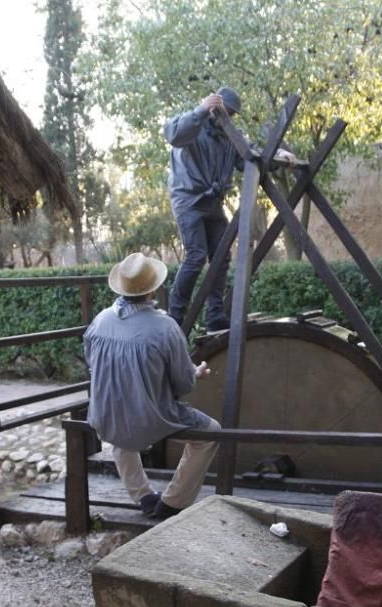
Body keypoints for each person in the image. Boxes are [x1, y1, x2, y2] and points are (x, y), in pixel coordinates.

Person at [83, 252, 221, 519]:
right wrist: (196, 373)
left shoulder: (99, 321)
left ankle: (143, 496)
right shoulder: (165, 327)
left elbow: (93, 364)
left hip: (104, 416)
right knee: (211, 433)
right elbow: (183, 383)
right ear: (154, 288)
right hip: (149, 420)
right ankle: (173, 502)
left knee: (119, 427)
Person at [163, 86, 294, 332]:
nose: (229, 118)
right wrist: (201, 109)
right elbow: (174, 135)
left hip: (212, 201)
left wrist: (279, 155)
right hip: (188, 200)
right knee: (196, 255)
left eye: (232, 114)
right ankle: (175, 316)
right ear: (214, 107)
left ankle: (214, 315)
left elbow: (251, 156)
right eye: (226, 112)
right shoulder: (191, 124)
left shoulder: (229, 136)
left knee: (222, 255)